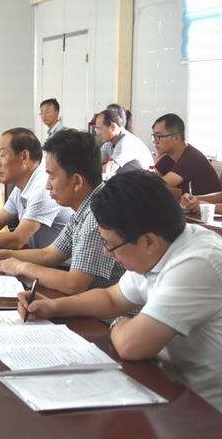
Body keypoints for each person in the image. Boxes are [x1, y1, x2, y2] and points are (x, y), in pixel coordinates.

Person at [19, 170, 222, 412]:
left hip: (204, 414)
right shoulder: (157, 248)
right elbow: (112, 298)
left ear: (148, 241)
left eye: (110, 245)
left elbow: (130, 345)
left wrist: (118, 323)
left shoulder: (197, 263)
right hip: (167, 388)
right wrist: (54, 307)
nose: (106, 253)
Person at [0, 129, 125, 294]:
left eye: (52, 177)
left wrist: (21, 267)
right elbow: (48, 255)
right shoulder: (82, 210)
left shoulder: (96, 216)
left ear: (77, 182)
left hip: (107, 309)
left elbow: (73, 284)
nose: (47, 185)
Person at [152, 113, 221, 195]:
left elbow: (157, 186)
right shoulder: (168, 157)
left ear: (176, 138)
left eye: (159, 136)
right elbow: (151, 181)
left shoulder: (192, 157)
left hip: (208, 203)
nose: (155, 141)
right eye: (154, 136)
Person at [95, 108, 154, 173]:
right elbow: (96, 162)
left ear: (112, 127)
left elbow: (108, 169)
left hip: (142, 179)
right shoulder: (109, 143)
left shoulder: (126, 142)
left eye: (100, 128)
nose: (98, 133)